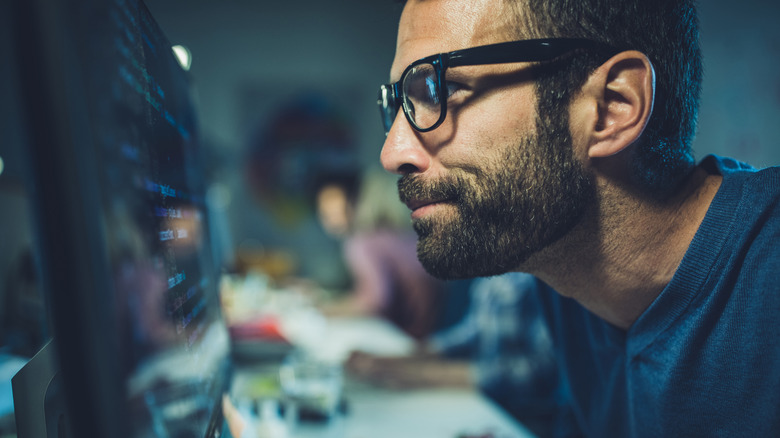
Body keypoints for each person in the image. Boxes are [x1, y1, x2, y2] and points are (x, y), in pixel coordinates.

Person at [376, 0, 780, 436]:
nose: (392, 153)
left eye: (442, 88)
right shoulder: (566, 271)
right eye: (399, 103)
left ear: (611, 106)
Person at [347, 272, 571, 437]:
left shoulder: (544, 282)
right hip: (485, 406)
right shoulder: (497, 271)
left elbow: (541, 372)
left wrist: (424, 375)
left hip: (526, 419)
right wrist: (398, 359)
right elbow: (472, 332)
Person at [314, 168, 445, 340]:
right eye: (326, 212)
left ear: (353, 204)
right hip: (437, 328)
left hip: (416, 337)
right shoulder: (390, 234)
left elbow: (376, 300)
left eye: (336, 209)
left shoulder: (361, 242)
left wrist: (325, 311)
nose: (332, 219)